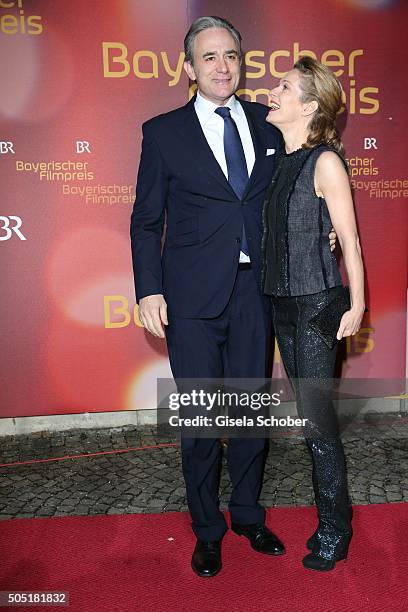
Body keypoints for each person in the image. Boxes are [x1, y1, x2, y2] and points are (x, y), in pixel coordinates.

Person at [130, 16, 335, 578]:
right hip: (191, 297)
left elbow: (297, 188)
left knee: (250, 416)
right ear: (190, 68)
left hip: (255, 291)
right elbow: (147, 221)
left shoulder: (267, 125)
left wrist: (329, 225)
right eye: (211, 57)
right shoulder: (162, 132)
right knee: (199, 423)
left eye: (232, 56)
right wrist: (148, 288)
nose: (223, 67)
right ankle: (207, 530)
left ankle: (247, 515)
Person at [263, 56, 365, 571]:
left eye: (283, 87)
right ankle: (333, 518)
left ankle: (335, 530)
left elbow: (349, 238)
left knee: (318, 423)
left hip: (318, 307)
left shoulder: (325, 161)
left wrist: (360, 302)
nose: (271, 92)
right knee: (309, 421)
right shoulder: (280, 162)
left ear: (309, 105)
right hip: (282, 304)